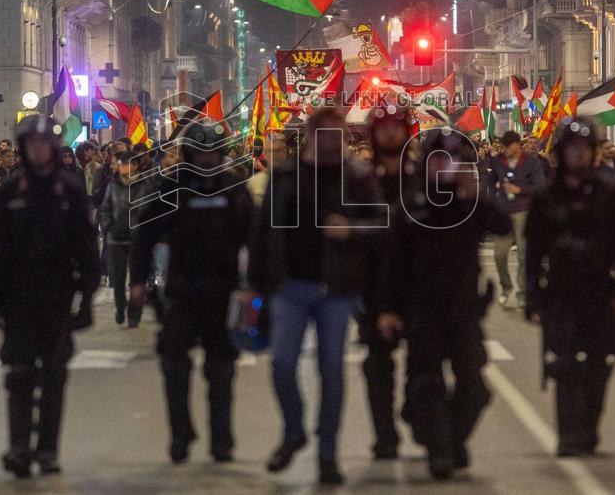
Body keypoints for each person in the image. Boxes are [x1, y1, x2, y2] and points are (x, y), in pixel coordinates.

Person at [249, 107, 385, 485]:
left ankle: (328, 453)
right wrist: (253, 286)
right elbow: (261, 234)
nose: (334, 143)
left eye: (339, 136)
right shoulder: (283, 176)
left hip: (336, 289)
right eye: (326, 135)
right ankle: (294, 430)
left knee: (331, 372)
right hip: (289, 286)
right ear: (311, 135)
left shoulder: (356, 177)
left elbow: (383, 221)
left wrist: (352, 229)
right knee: (281, 365)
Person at [378, 128, 510, 479]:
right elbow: (394, 263)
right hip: (423, 307)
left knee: (475, 387)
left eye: (450, 161)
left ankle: (451, 440)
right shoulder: (412, 204)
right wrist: (389, 309)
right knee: (426, 383)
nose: (444, 167)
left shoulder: (469, 203)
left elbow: (503, 224)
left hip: (464, 307)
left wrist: (475, 193)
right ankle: (440, 451)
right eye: (438, 160)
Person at [0, 115, 100, 478]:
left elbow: (86, 248)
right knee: (18, 375)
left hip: (58, 294)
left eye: (43, 142)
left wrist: (87, 298)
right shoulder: (10, 191)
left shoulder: (68, 190)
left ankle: (47, 449)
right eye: (31, 143)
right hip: (18, 296)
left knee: (53, 376)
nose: (37, 149)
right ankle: (18, 446)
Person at [130, 121, 252, 464]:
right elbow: (144, 237)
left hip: (224, 293)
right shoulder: (171, 190)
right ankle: (181, 434)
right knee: (174, 367)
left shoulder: (233, 190)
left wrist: (259, 286)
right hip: (181, 292)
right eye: (200, 153)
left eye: (213, 153)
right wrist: (138, 281)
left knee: (222, 371)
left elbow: (255, 238)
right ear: (188, 154)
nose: (207, 160)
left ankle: (222, 441)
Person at [525, 118, 615, 457]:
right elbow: (533, 250)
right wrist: (532, 294)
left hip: (600, 289)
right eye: (572, 149)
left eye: (584, 149)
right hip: (561, 289)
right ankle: (568, 432)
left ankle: (589, 427)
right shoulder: (546, 195)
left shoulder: (609, 192)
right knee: (566, 364)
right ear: (561, 152)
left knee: (599, 365)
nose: (578, 155)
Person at [357, 107, 414, 460]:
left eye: (397, 128)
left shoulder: (423, 177)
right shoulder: (362, 180)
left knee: (424, 365)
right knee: (377, 365)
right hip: (373, 284)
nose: (391, 134)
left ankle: (421, 418)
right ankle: (385, 434)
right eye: (385, 128)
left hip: (419, 283)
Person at [487, 130, 544, 308]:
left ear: (516, 145)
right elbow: (490, 180)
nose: (504, 150)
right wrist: (495, 196)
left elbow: (540, 185)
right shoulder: (498, 161)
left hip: (523, 211)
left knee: (523, 254)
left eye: (506, 146)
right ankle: (506, 286)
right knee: (499, 254)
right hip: (504, 212)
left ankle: (523, 292)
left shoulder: (531, 162)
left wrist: (521, 190)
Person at [100, 151, 142, 327]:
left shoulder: (144, 184)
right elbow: (105, 208)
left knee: (136, 280)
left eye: (126, 163)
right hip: (116, 238)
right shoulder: (113, 185)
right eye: (120, 163)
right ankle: (120, 307)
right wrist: (109, 226)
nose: (123, 167)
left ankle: (134, 313)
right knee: (118, 278)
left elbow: (150, 209)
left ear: (135, 165)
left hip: (137, 239)